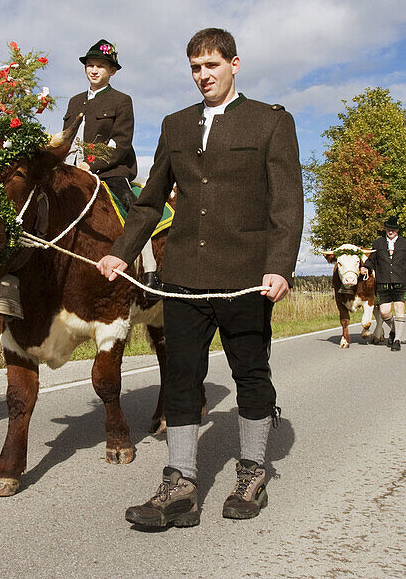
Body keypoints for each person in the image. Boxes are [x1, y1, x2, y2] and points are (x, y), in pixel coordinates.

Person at [97, 28, 303, 528]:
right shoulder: (176, 125)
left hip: (247, 275)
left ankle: (253, 471)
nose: (202, 75)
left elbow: (286, 202)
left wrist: (279, 265)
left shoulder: (271, 122)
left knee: (251, 374)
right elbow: (149, 200)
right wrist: (121, 252)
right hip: (184, 274)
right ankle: (180, 482)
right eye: (195, 67)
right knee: (181, 378)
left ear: (235, 64)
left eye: (211, 65)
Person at [63, 39, 137, 210]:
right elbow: (66, 137)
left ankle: (143, 236)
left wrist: (91, 164)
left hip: (109, 171)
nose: (94, 70)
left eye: (100, 66)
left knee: (129, 204)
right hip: (70, 168)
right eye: (90, 65)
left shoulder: (122, 100)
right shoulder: (74, 101)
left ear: (113, 71)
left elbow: (121, 142)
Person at [362, 216, 406, 351]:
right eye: (389, 229)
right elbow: (372, 260)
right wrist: (366, 267)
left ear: (397, 230)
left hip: (400, 282)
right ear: (385, 229)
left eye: (393, 229)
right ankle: (394, 329)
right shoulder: (378, 243)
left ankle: (397, 340)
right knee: (384, 312)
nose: (391, 231)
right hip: (383, 283)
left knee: (400, 310)